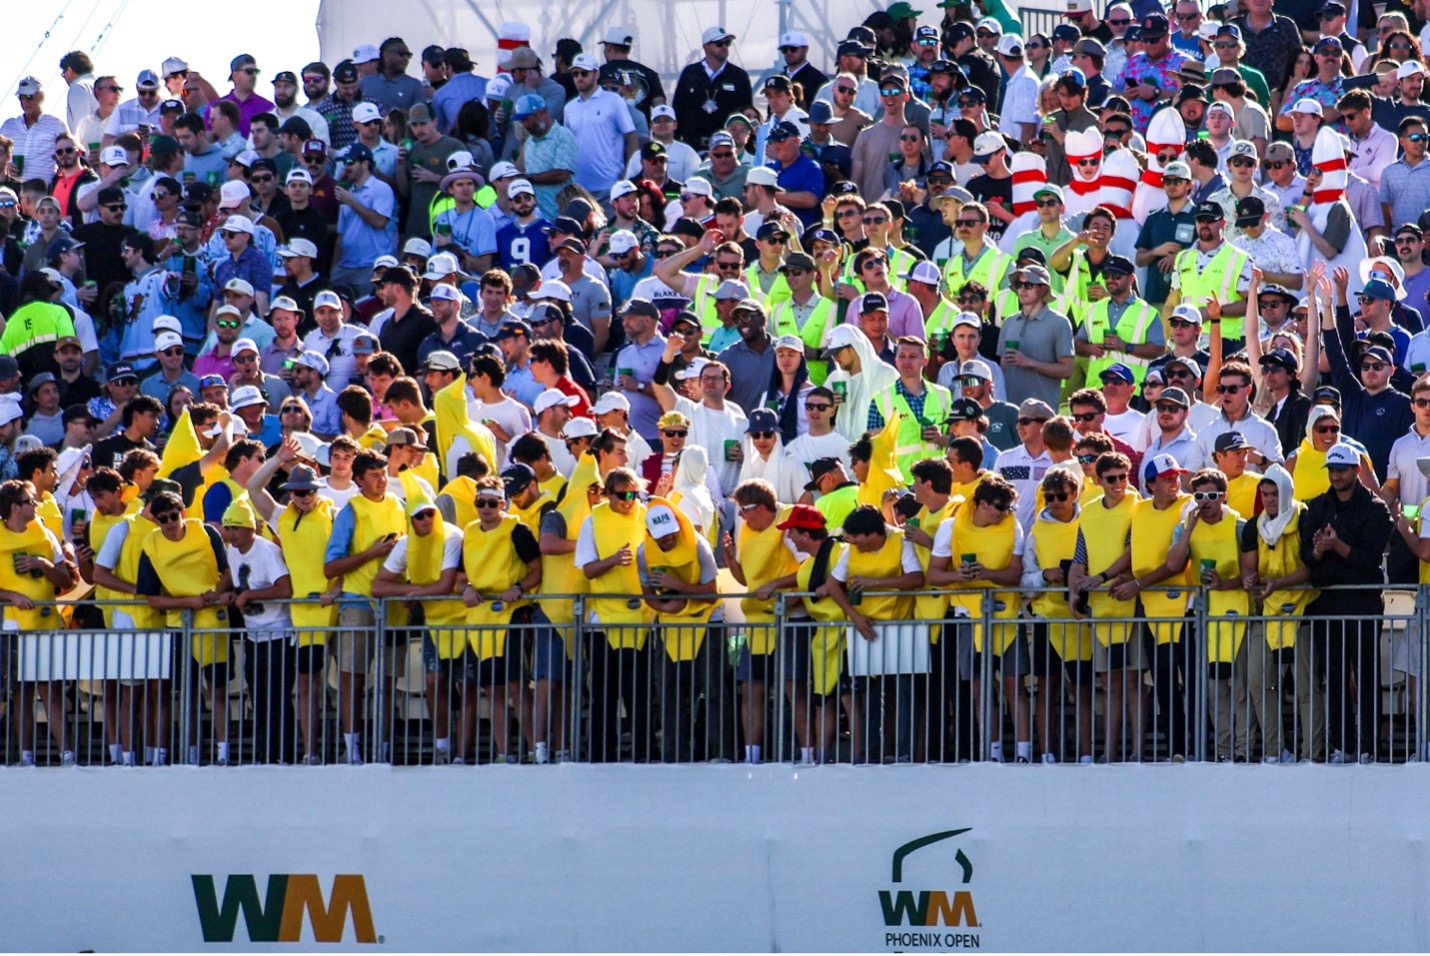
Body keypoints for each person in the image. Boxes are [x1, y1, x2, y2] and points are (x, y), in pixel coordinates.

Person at [1301, 443, 1395, 763]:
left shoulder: (1375, 508)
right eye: (1331, 470)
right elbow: (1307, 556)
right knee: (1335, 675)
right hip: (1329, 601)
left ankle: (1368, 747)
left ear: (1356, 470)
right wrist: (1318, 551)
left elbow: (1370, 559)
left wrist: (1338, 547)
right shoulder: (1318, 506)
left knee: (1367, 675)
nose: (1336, 475)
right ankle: (1341, 745)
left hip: (1363, 601)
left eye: (1341, 470)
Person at [134, 489, 233, 766]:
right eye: (163, 518)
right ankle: (188, 754)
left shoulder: (207, 533)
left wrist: (216, 593)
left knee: (218, 690)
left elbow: (228, 572)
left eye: (174, 516)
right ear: (156, 521)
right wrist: (188, 602)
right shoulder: (150, 544)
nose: (170, 522)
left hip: (214, 622)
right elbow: (152, 599)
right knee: (186, 693)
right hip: (179, 625)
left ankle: (223, 753)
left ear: (183, 513)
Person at [321, 451, 405, 765]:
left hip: (394, 604)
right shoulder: (351, 511)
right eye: (374, 475)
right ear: (358, 480)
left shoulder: (399, 505)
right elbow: (331, 567)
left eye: (384, 473)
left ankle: (383, 749)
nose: (382, 479)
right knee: (351, 681)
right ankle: (352, 750)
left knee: (388, 682)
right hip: (358, 603)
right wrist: (372, 553)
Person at [1166, 467, 1253, 762]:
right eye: (1199, 496)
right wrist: (1189, 529)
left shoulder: (1239, 526)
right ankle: (1224, 751)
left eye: (1212, 496)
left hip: (1238, 614)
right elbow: (1173, 564)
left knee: (1239, 689)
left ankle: (1243, 750)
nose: (1205, 502)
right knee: (1215, 689)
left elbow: (1251, 574)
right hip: (1204, 617)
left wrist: (1224, 583)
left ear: (1224, 496)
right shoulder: (1186, 526)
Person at [1239, 464, 1316, 765]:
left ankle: (1311, 753)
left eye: (1275, 494)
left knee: (1306, 686)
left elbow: (1312, 567)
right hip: (1269, 608)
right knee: (1258, 681)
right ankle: (1275, 751)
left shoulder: (1305, 518)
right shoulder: (1253, 526)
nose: (1270, 500)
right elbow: (1249, 567)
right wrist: (1249, 579)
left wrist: (1278, 583)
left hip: (1304, 607)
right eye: (1265, 494)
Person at [577, 467, 655, 762]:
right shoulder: (593, 520)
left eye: (634, 494)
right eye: (622, 495)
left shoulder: (647, 515)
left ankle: (645, 754)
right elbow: (588, 569)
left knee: (639, 694)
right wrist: (612, 560)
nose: (629, 500)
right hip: (603, 621)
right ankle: (601, 756)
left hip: (641, 619)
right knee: (604, 694)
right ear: (608, 494)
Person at [997, 263, 1075, 409]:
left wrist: (1029, 362)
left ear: (1043, 289)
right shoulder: (1008, 322)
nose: (1022, 289)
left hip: (1043, 411)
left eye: (1028, 285)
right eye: (1019, 284)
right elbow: (1003, 366)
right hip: (1010, 409)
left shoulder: (1059, 323)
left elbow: (1067, 370)